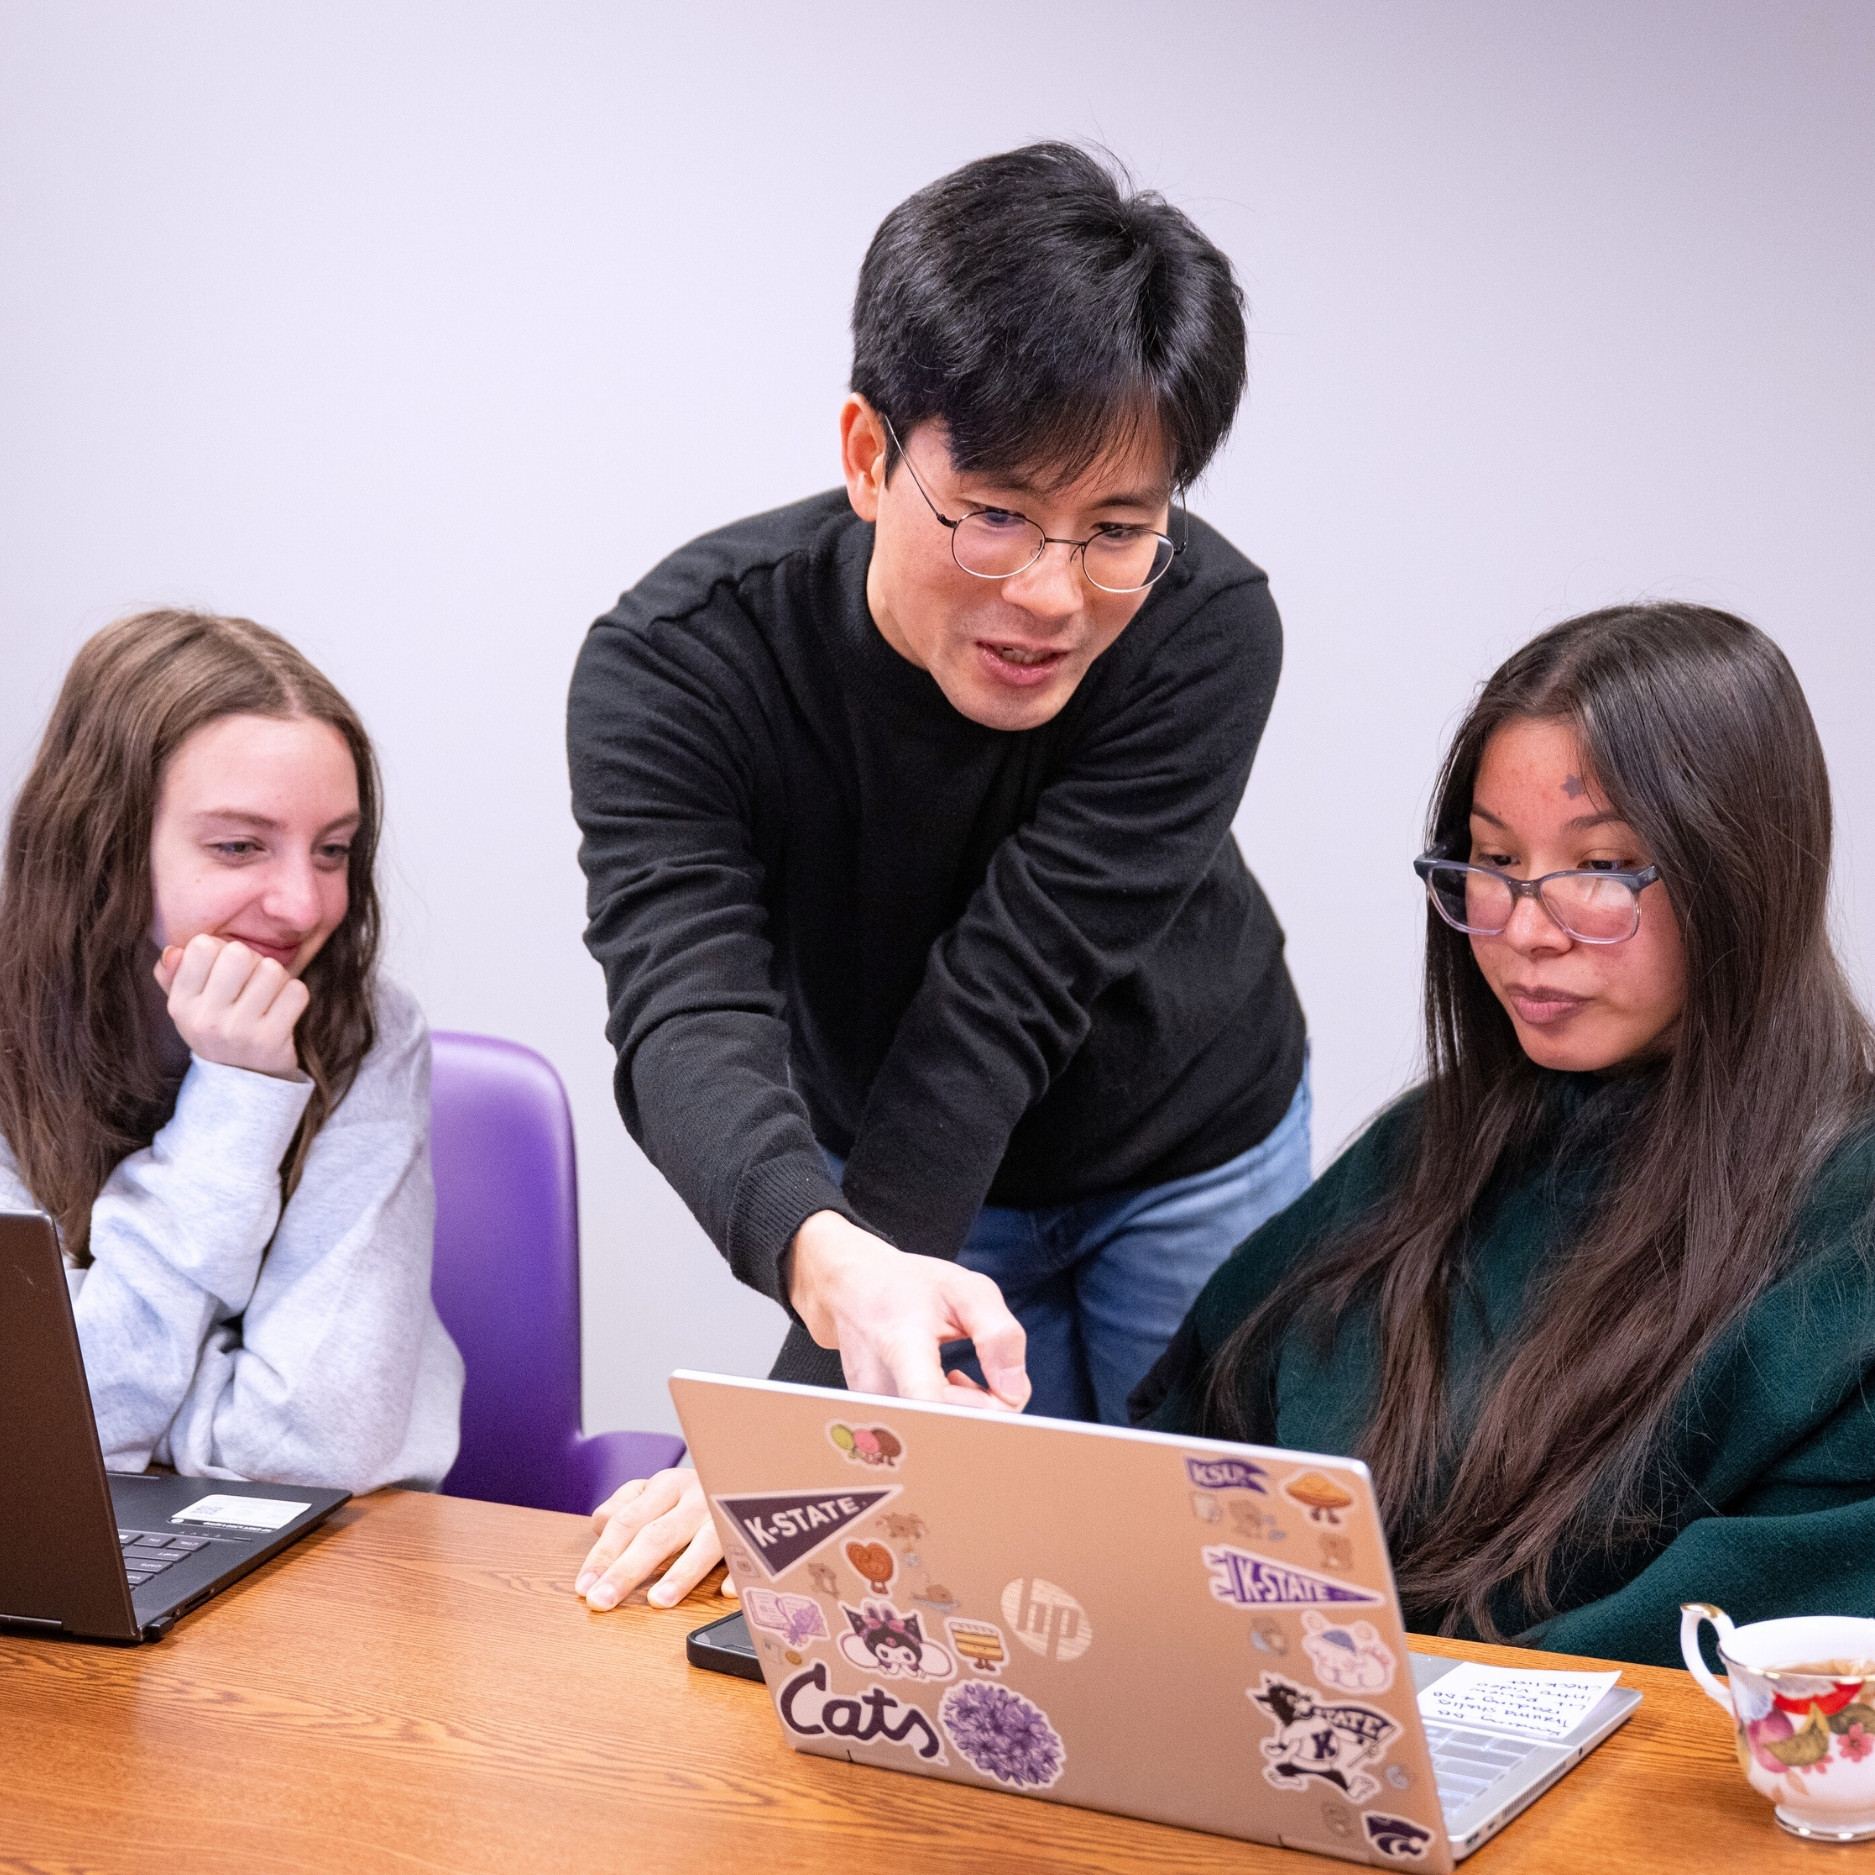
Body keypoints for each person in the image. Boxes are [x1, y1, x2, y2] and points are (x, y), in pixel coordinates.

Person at [567, 143, 1309, 1608]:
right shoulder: (677, 665)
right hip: (896, 1182)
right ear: (866, 452)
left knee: (1204, 1595)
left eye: (1116, 528)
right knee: (937, 1605)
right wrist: (823, 1301)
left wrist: (783, 1425)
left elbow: (998, 1002)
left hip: (1189, 1142)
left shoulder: (1202, 626)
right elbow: (686, 1017)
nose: (1049, 591)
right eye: (995, 511)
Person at [1133, 602, 1875, 1668]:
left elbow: (1772, 1632)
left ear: (1743, 871)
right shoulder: (1426, 1147)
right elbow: (1200, 1434)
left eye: (1601, 867)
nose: (1527, 930)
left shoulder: (1848, 1223)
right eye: (1490, 861)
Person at [0, 609, 463, 1492]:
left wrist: (245, 1085)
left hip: (313, 1567)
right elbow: (52, 1438)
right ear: (101, 844)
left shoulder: (369, 1029)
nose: (301, 903)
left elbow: (318, 1444)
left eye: (333, 850)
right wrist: (234, 1109)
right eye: (240, 845)